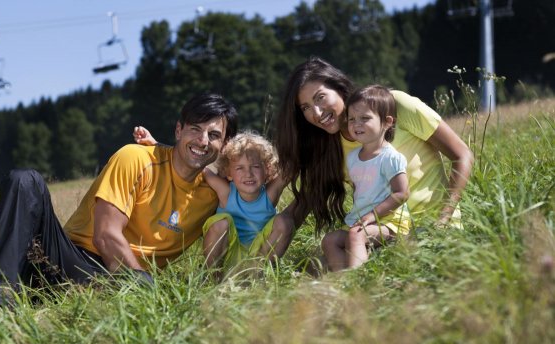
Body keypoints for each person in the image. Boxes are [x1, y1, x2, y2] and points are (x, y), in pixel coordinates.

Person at [0, 92, 238, 306]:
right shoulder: (135, 158)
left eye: (214, 135)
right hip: (68, 261)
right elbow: (106, 236)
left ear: (225, 144)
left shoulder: (215, 195)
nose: (203, 141)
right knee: (24, 181)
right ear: (178, 130)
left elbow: (257, 203)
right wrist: (143, 289)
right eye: (195, 129)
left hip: (114, 284)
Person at [270, 57, 474, 262]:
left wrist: (445, 217)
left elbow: (462, 156)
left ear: (339, 87)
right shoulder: (330, 148)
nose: (316, 112)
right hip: (380, 237)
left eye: (320, 97)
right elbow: (304, 204)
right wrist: (263, 231)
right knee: (312, 268)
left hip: (432, 228)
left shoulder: (394, 105)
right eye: (305, 107)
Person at [134, 127, 287, 278]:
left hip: (256, 256)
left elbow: (293, 168)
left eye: (255, 167)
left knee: (284, 222)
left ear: (267, 169)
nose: (248, 174)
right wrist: (156, 144)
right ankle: (212, 276)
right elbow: (196, 164)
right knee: (221, 223)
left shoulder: (269, 195)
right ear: (229, 173)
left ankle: (259, 276)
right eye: (239, 168)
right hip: (227, 256)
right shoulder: (226, 193)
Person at [321, 85, 410, 271]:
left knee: (356, 235)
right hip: (362, 221)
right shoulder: (353, 158)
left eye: (365, 118)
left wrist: (372, 215)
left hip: (391, 223)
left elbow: (402, 193)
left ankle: (356, 280)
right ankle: (341, 279)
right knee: (330, 240)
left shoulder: (390, 157)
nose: (356, 124)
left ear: (387, 122)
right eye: (352, 119)